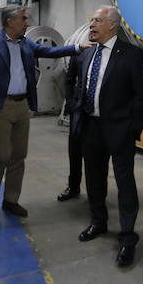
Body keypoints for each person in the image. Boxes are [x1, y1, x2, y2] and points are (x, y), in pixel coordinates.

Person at [0, 6, 93, 218]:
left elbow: (49, 51)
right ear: (10, 21)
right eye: (23, 19)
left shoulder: (26, 43)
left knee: (18, 156)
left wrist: (77, 47)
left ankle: (11, 200)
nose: (27, 22)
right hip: (2, 106)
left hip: (23, 106)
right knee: (1, 156)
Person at [69, 6, 143, 267]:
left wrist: (132, 128)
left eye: (97, 21)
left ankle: (127, 237)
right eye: (91, 20)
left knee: (124, 183)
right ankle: (98, 222)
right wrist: (77, 113)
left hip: (119, 129)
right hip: (91, 127)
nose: (91, 25)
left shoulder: (131, 55)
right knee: (94, 178)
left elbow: (141, 95)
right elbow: (76, 86)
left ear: (112, 25)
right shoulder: (86, 54)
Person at [57, 58, 83, 201]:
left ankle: (96, 192)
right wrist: (71, 102)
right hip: (78, 111)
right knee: (74, 151)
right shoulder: (81, 54)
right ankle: (73, 186)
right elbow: (70, 79)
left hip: (100, 114)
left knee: (97, 157)